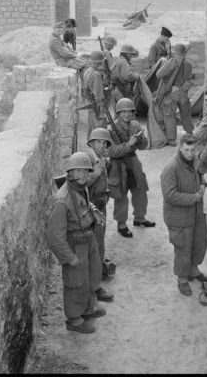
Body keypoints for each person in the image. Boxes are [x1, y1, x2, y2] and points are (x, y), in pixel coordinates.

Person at [46, 152, 109, 333]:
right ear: (70, 173)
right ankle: (74, 319)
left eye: (85, 171)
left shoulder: (81, 188)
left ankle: (88, 309)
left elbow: (84, 205)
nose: (81, 175)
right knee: (76, 281)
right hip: (75, 243)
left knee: (90, 275)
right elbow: (54, 236)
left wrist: (94, 209)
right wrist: (69, 258)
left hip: (87, 238)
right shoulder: (62, 200)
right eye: (77, 171)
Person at [161, 134, 207, 296]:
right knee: (183, 248)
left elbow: (201, 176)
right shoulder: (171, 168)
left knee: (199, 242)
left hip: (196, 212)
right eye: (186, 150)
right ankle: (182, 279)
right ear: (180, 148)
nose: (190, 153)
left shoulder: (195, 161)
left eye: (192, 149)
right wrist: (194, 198)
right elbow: (170, 194)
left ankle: (194, 271)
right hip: (178, 216)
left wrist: (203, 184)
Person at [107, 98, 155, 238]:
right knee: (121, 195)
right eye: (123, 112)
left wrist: (141, 139)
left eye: (129, 112)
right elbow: (110, 151)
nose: (127, 115)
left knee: (140, 191)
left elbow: (143, 146)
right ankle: (121, 224)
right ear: (119, 113)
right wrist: (129, 144)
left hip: (133, 162)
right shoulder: (111, 129)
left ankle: (140, 218)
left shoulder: (135, 125)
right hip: (118, 165)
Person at [86, 128, 116, 299]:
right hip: (92, 207)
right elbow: (81, 182)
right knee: (95, 244)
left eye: (105, 142)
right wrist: (96, 173)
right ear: (91, 143)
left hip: (100, 204)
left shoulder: (100, 158)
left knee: (100, 241)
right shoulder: (88, 158)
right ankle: (95, 286)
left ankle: (98, 271)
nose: (102, 145)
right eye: (99, 142)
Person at [153, 43, 194, 146]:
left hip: (172, 91)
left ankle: (171, 139)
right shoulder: (188, 63)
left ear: (174, 52)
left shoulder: (172, 61)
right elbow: (189, 78)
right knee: (186, 113)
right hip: (183, 92)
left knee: (169, 115)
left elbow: (159, 74)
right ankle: (189, 133)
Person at [82, 50, 108, 139]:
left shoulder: (87, 71)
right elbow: (99, 95)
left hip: (90, 102)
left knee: (92, 127)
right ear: (99, 62)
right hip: (97, 105)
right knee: (100, 130)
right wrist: (102, 109)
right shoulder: (96, 75)